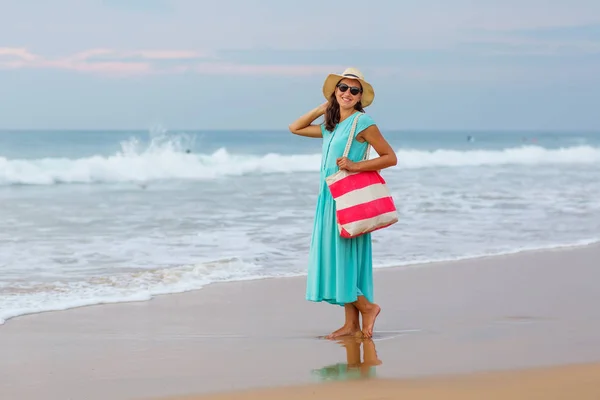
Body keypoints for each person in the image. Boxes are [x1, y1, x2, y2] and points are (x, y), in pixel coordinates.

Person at [288, 67, 397, 339]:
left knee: (343, 258)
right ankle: (351, 324)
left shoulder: (363, 123)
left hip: (347, 199)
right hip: (329, 197)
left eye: (354, 90)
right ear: (335, 91)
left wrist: (356, 165)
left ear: (360, 96)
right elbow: (295, 128)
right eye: (342, 88)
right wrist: (323, 107)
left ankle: (367, 308)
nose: (347, 93)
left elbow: (389, 157)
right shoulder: (331, 125)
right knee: (340, 258)